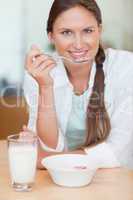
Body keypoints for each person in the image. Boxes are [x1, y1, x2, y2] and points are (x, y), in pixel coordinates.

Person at [23, 0, 133, 169]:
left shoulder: (126, 67)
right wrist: (45, 86)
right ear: (51, 36)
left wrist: (48, 160)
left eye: (87, 31)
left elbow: (117, 153)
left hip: (117, 180)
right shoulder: (40, 73)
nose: (79, 44)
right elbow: (49, 146)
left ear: (99, 31)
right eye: (66, 32)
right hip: (60, 179)